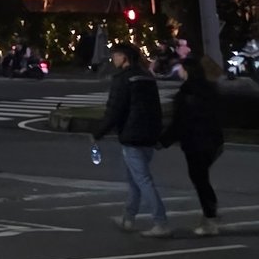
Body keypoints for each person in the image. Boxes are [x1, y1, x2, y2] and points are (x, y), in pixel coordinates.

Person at [93, 42, 169, 236]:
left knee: (142, 179)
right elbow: (156, 107)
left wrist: (99, 132)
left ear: (124, 57)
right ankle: (128, 218)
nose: (113, 59)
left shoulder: (122, 79)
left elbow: (115, 109)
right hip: (149, 134)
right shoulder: (147, 77)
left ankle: (161, 222)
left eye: (116, 55)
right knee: (135, 179)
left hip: (132, 134)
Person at [160, 55, 224, 237]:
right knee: (201, 178)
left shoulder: (187, 93)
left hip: (196, 142)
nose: (179, 71)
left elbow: (180, 122)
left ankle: (210, 218)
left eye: (181, 68)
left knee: (200, 179)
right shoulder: (209, 89)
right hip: (213, 141)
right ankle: (210, 214)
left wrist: (163, 141)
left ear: (188, 71)